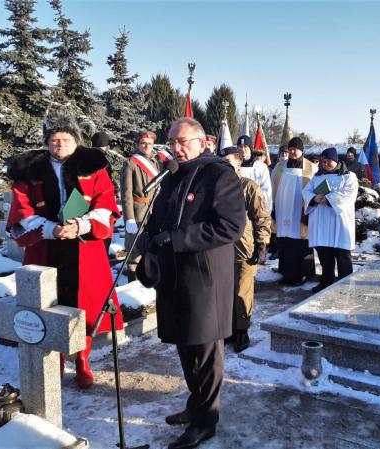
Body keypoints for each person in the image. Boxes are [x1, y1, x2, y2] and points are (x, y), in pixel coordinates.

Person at [136, 118, 245, 449]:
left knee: (205, 350)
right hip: (175, 276)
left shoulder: (219, 175)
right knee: (185, 343)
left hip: (205, 278)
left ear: (202, 142)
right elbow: (159, 216)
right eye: (171, 142)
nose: (175, 147)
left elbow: (230, 226)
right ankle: (195, 403)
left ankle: (206, 420)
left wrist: (176, 239)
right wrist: (151, 237)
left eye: (182, 141)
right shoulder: (171, 175)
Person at [6, 109, 123, 389]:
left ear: (77, 140)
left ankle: (82, 359)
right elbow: (21, 209)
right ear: (47, 141)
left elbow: (105, 203)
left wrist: (81, 225)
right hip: (44, 248)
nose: (60, 144)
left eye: (66, 139)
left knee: (85, 306)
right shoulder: (29, 170)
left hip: (84, 248)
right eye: (55, 139)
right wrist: (49, 229)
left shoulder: (92, 166)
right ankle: (54, 362)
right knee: (47, 306)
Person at [220, 146, 271, 352]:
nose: (224, 167)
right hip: (221, 248)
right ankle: (229, 328)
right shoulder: (216, 188)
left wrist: (262, 243)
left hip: (244, 248)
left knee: (242, 291)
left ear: (238, 163)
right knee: (224, 290)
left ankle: (242, 329)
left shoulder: (248, 187)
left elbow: (261, 217)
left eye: (228, 162)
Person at [303, 147, 358, 293]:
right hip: (321, 221)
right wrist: (314, 198)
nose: (325, 164)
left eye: (328, 161)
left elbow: (349, 195)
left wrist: (328, 199)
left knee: (342, 255)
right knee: (324, 254)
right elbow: (306, 191)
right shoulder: (317, 176)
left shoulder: (349, 176)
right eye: (323, 161)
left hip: (340, 222)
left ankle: (346, 284)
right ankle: (326, 281)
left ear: (336, 160)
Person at [271, 137, 317, 285]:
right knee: (285, 242)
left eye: (295, 149)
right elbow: (272, 186)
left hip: (300, 210)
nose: (292, 152)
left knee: (300, 242)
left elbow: (318, 186)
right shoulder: (280, 167)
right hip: (283, 209)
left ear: (301, 150)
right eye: (290, 149)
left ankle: (303, 273)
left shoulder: (311, 168)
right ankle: (286, 273)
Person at [120, 131, 161, 281]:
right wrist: (129, 218)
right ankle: (132, 279)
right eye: (143, 143)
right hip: (138, 211)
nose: (146, 146)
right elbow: (126, 194)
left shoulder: (155, 162)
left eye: (149, 144)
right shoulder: (131, 163)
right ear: (138, 144)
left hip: (153, 209)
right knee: (134, 248)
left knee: (150, 244)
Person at [91, 131, 116, 255]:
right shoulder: (103, 161)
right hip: (102, 204)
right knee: (103, 238)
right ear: (107, 146)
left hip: (90, 207)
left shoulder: (85, 158)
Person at [236, 135, 273, 213]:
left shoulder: (261, 167)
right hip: (239, 211)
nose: (243, 150)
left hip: (257, 210)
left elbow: (267, 191)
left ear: (250, 148)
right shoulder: (234, 167)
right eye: (240, 146)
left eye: (245, 146)